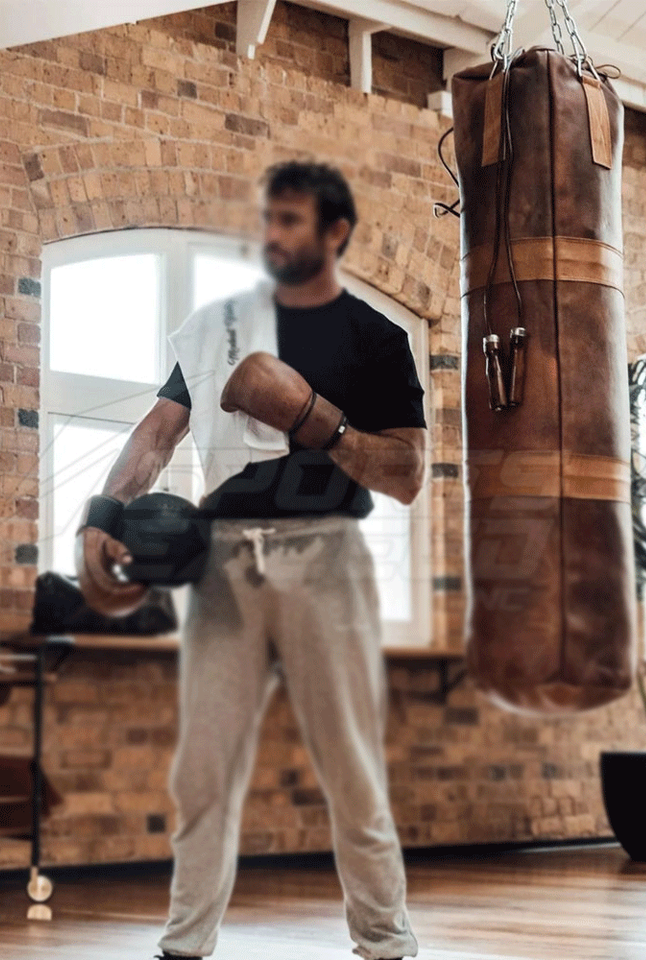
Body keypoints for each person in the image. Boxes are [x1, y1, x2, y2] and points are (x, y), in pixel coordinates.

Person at [76, 161, 426, 960]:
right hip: (224, 563)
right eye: (269, 218)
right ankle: (183, 944)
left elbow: (406, 474)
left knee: (351, 767)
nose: (272, 234)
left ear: (335, 232)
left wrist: (315, 418)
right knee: (202, 771)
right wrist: (103, 513)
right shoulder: (216, 327)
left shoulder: (377, 338)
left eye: (291, 220)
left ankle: (387, 942)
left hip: (326, 558)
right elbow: (157, 435)